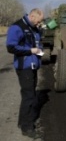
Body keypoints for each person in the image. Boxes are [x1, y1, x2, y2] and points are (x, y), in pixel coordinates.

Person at [6, 8, 44, 139]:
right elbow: (11, 47)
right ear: (32, 16)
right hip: (24, 67)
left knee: (30, 94)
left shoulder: (34, 27)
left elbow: (37, 42)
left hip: (33, 65)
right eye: (38, 21)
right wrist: (30, 51)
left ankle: (22, 122)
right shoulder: (17, 27)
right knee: (29, 96)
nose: (39, 24)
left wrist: (39, 50)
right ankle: (27, 128)